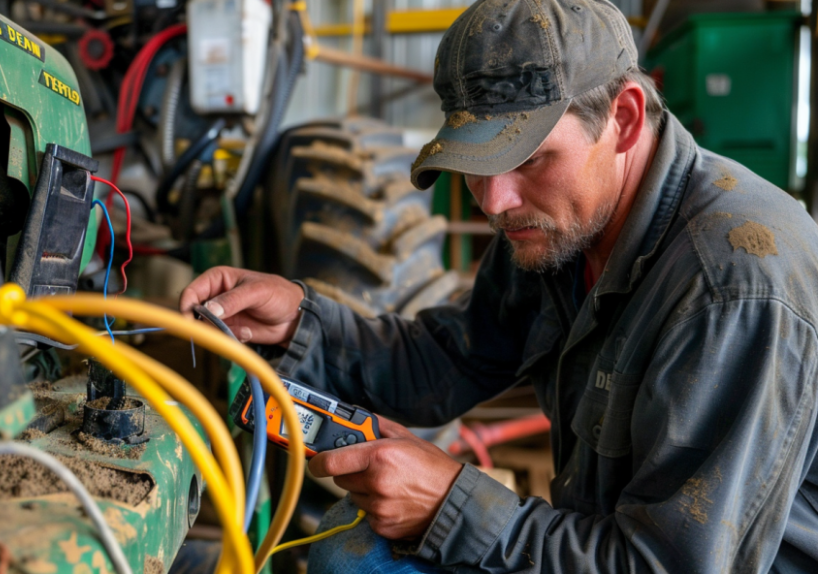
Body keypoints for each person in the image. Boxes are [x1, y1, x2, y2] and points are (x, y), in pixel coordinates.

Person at [180, 0, 818, 571]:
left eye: (529, 158)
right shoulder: (562, 227)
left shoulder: (734, 286)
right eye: (474, 165)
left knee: (359, 564)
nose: (494, 200)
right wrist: (301, 320)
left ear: (623, 118)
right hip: (602, 538)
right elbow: (449, 359)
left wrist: (452, 504)